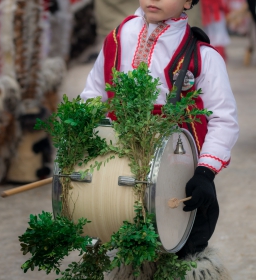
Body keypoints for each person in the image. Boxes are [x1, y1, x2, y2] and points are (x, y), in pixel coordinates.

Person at [80, 0, 239, 278]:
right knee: (125, 240)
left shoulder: (204, 57)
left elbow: (223, 119)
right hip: (123, 167)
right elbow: (93, 94)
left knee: (187, 244)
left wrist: (205, 172)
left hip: (180, 171)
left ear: (189, 1)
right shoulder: (117, 39)